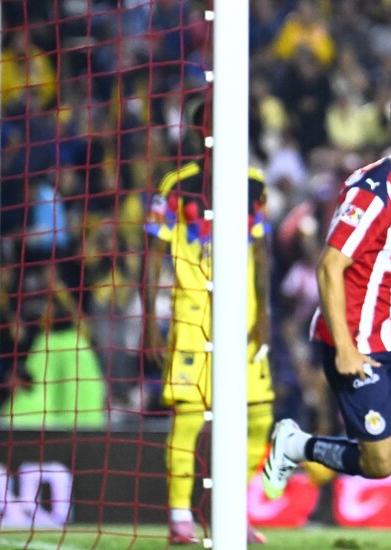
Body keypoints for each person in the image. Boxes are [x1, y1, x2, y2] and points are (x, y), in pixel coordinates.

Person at [261, 82, 391, 550]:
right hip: (358, 342)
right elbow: (331, 265)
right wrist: (345, 347)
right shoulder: (372, 192)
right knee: (381, 463)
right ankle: (297, 445)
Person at [143, 96, 274, 545]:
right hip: (193, 318)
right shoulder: (176, 187)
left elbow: (261, 251)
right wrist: (147, 320)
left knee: (258, 417)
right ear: (203, 131)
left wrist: (265, 318)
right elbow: (151, 254)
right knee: (190, 416)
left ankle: (231, 510)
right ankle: (180, 515)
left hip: (244, 323)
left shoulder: (254, 185)